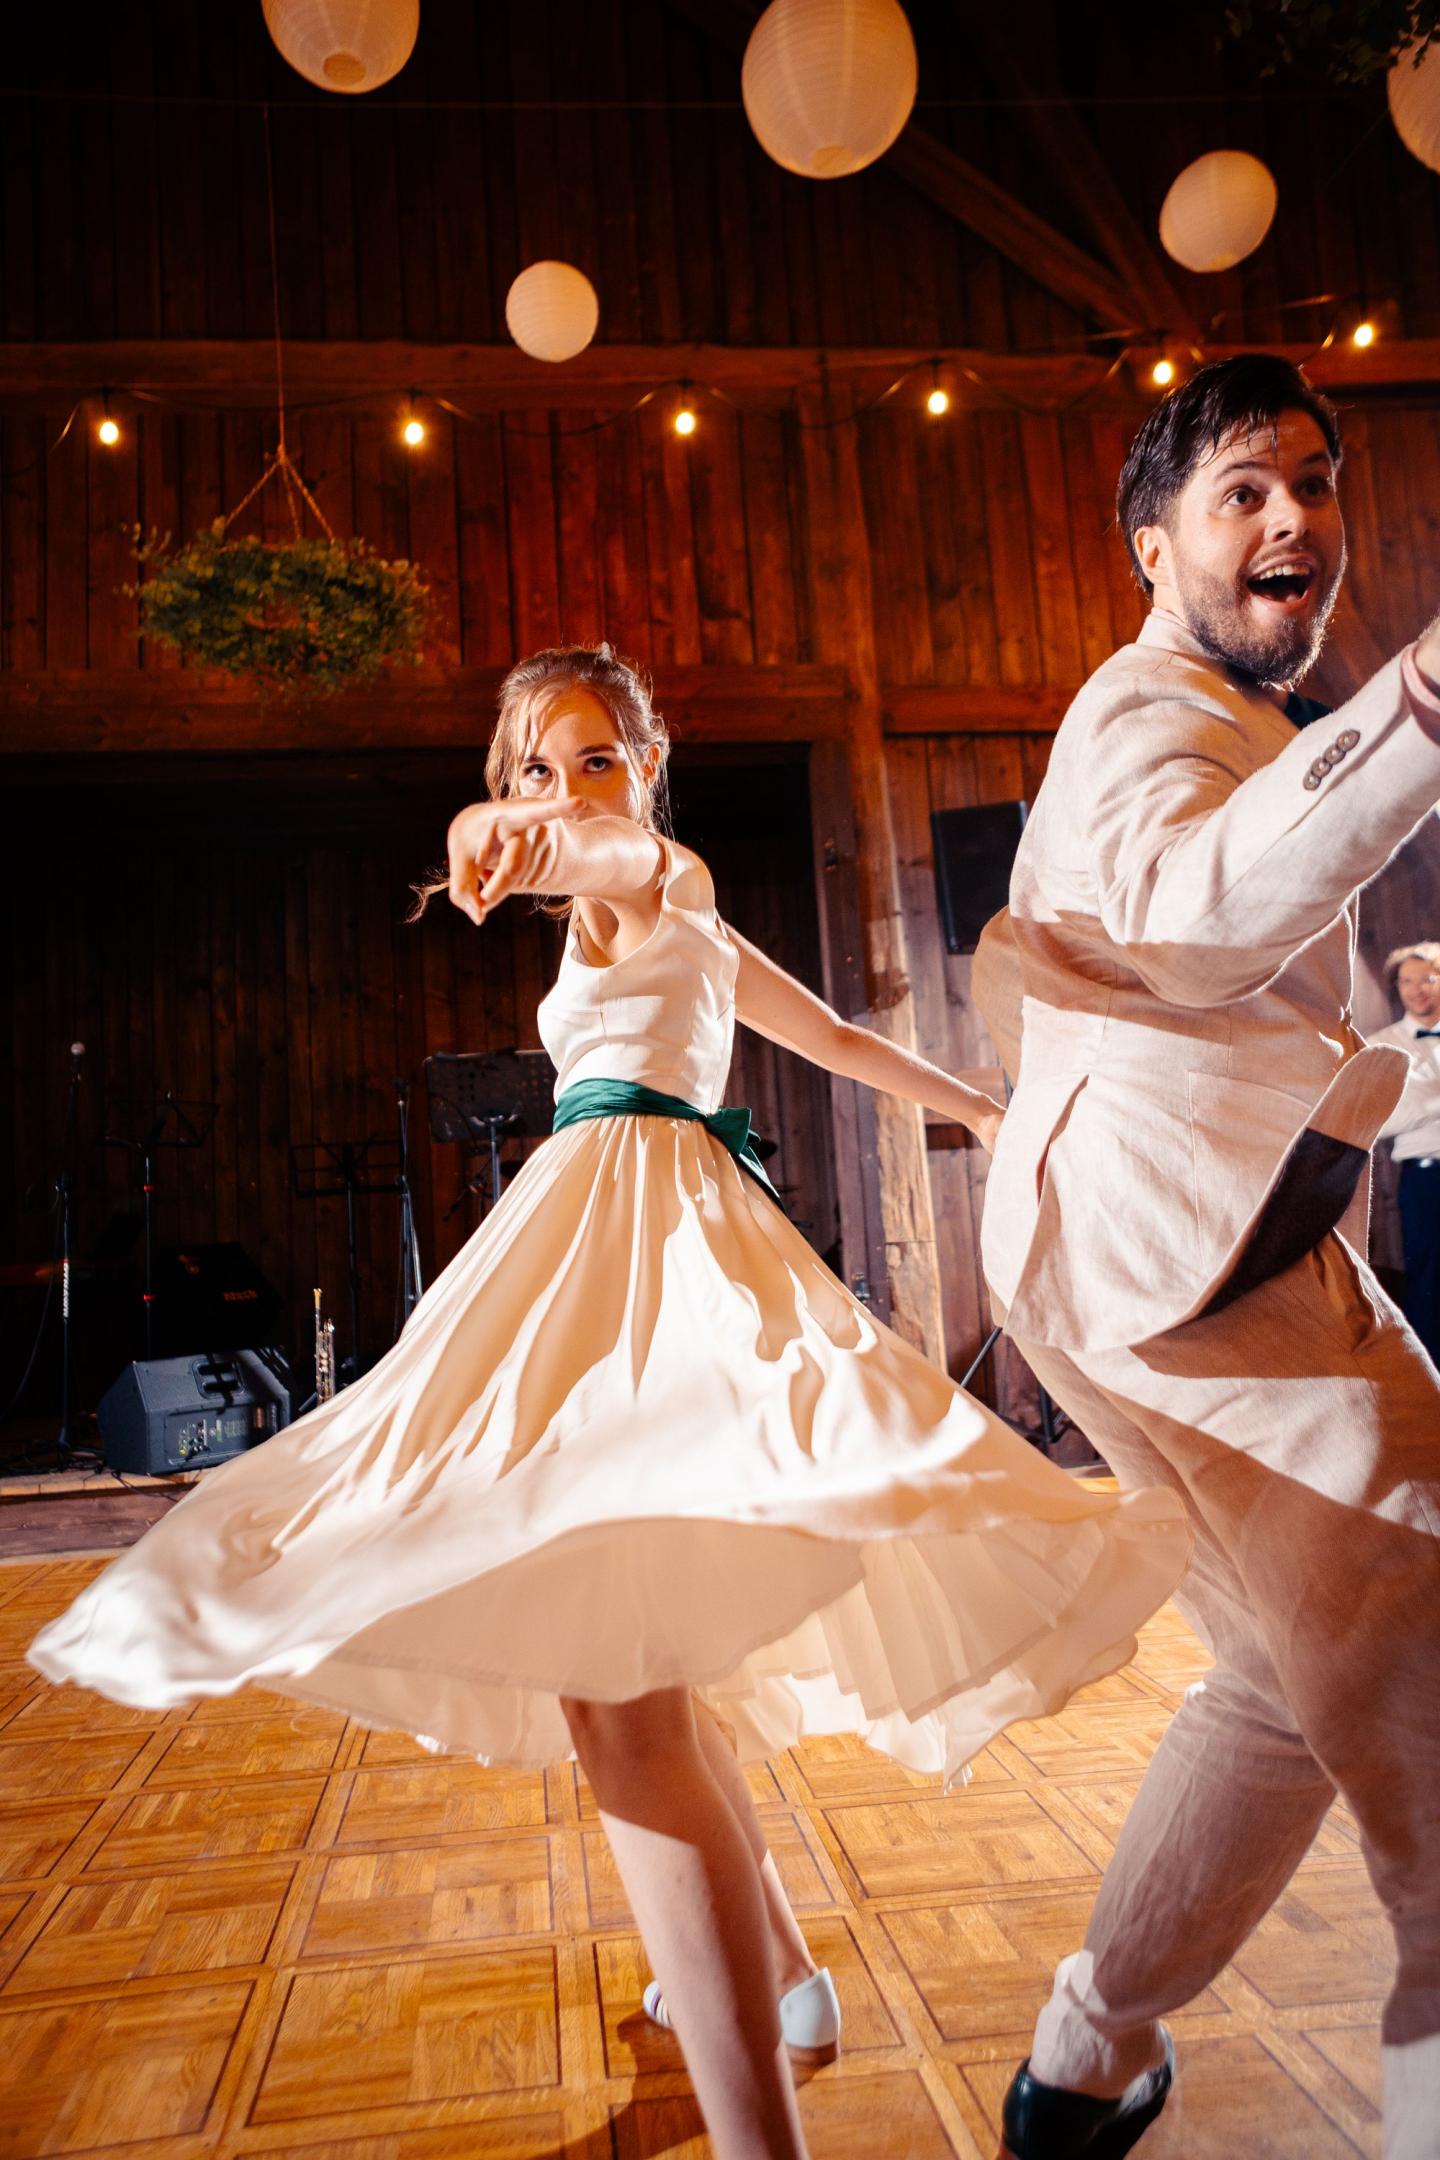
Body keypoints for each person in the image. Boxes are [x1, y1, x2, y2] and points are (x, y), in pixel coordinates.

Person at [28, 643, 1190, 2160]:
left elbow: (664, 897)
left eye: (595, 760)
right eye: (535, 767)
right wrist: (971, 1098)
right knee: (633, 1674)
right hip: (575, 1259)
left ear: (647, 770)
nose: (566, 792)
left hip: (655, 1256)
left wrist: (500, 832)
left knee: (619, 1693)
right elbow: (829, 1032)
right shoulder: (644, 920)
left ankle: (762, 2110)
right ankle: (784, 1981)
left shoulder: (661, 874)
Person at [971, 356, 1440, 2160]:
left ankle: (1085, 2063)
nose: (1294, 517)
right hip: (1192, 1265)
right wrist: (1422, 704)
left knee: (1283, 1680)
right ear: (1149, 546)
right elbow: (1189, 914)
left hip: (1135, 1261)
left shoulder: (1224, 715)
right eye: (1243, 487)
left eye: (1315, 483)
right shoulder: (1147, 711)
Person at [1370, 942, 1440, 1369]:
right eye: (1407, 981)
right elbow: (1384, 1118)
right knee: (1430, 1278)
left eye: (1428, 978)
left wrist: (1424, 1102)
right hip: (1428, 1178)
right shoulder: (1384, 1047)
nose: (1417, 990)